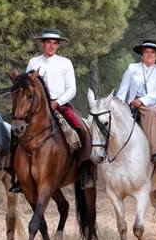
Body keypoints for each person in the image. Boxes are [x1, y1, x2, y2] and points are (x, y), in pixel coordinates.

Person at [9, 28, 94, 193]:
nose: (52, 46)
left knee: (81, 129)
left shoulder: (65, 63)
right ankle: (18, 174)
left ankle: (85, 170)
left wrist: (57, 102)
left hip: (60, 105)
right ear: (42, 43)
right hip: (36, 109)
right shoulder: (33, 62)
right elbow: (27, 87)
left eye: (55, 43)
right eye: (49, 42)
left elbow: (72, 89)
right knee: (15, 133)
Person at [115, 39, 156, 175]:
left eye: (152, 52)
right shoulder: (132, 68)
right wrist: (118, 104)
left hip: (152, 106)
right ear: (142, 55)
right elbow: (122, 90)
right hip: (132, 104)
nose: (149, 54)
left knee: (153, 114)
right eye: (146, 52)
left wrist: (142, 101)